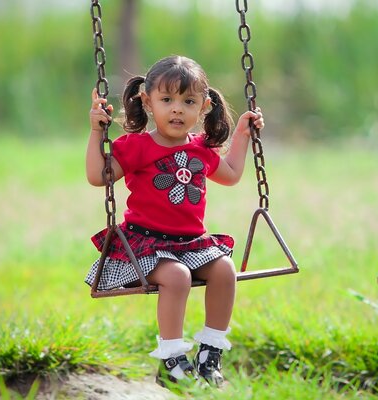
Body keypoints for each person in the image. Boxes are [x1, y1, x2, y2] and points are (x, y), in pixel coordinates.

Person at [84, 55, 264, 388]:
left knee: (225, 269)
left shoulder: (202, 149)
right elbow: (99, 176)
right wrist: (97, 133)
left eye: (188, 101)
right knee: (178, 278)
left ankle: (210, 353)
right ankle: (171, 360)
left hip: (190, 243)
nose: (177, 109)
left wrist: (242, 134)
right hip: (146, 245)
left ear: (204, 107)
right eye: (167, 100)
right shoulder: (136, 146)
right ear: (148, 102)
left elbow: (233, 174)